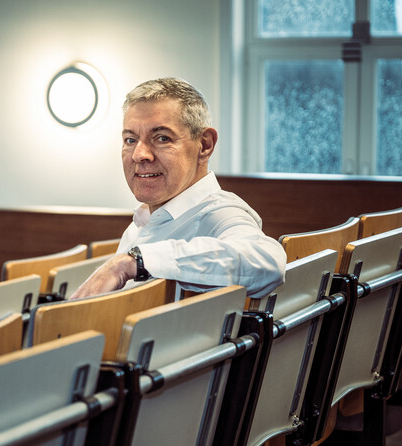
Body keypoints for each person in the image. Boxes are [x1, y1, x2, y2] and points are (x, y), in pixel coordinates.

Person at [71, 77, 285, 299]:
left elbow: (266, 262)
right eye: (130, 140)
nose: (139, 154)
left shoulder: (219, 213)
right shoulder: (142, 222)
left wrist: (135, 262)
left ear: (205, 144)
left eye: (162, 138)